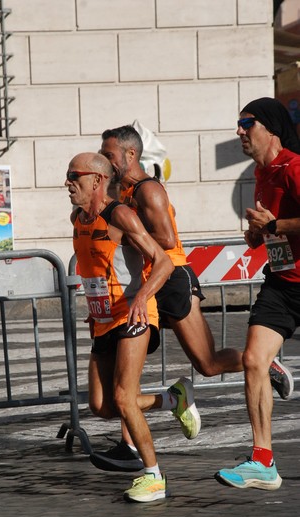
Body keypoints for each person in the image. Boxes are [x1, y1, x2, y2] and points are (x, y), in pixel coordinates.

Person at [90, 124, 293, 473]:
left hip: (171, 280)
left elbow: (167, 241)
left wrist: (130, 235)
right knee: (128, 368)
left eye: (109, 155)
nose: (105, 161)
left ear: (130, 155)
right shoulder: (123, 192)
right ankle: (129, 445)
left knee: (208, 363)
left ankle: (260, 363)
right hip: (143, 285)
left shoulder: (147, 190)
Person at [67, 151, 200, 502]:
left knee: (124, 397)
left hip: (133, 315)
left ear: (97, 181)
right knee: (102, 406)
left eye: (74, 177)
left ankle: (153, 476)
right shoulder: (77, 218)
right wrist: (95, 309)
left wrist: (142, 296)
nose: (67, 184)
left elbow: (162, 262)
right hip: (104, 319)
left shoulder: (121, 215)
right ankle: (173, 399)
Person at [215, 97, 300, 490]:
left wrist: (275, 222)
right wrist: (258, 234)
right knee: (253, 359)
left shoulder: (294, 166)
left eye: (246, 123)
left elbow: (281, 222)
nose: (239, 131)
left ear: (269, 129)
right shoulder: (261, 174)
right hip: (283, 284)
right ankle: (263, 461)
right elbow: (271, 231)